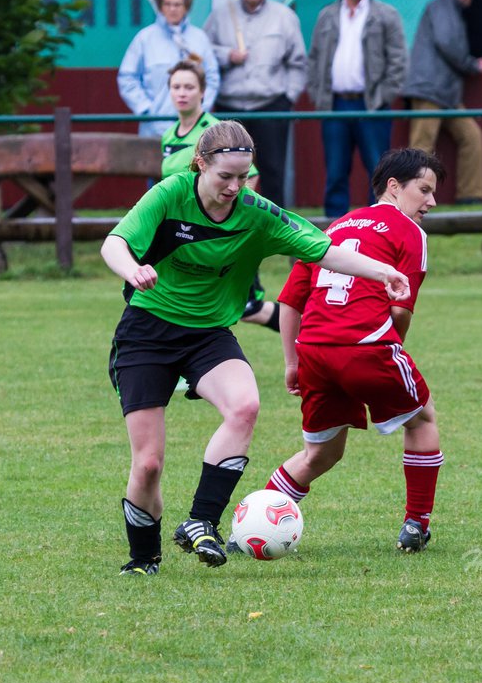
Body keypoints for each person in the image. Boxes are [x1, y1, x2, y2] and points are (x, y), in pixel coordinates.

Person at [102, 120, 411, 575]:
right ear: (200, 165)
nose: (235, 187)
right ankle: (143, 558)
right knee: (148, 464)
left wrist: (380, 271)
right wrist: (131, 269)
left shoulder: (256, 211)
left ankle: (200, 521)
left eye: (243, 176)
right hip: (147, 333)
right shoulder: (171, 194)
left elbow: (323, 249)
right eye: (225, 176)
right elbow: (114, 243)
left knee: (245, 406)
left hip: (208, 333)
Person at [263, 147, 446, 553]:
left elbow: (291, 301)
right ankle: (416, 523)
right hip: (366, 345)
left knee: (320, 453)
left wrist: (292, 363)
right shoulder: (408, 231)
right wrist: (384, 351)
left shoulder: (333, 228)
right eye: (425, 190)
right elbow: (399, 310)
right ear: (394, 187)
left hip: (312, 349)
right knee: (422, 418)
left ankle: (257, 518)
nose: (431, 202)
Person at [159, 60, 279, 331]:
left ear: (203, 91)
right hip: (182, 231)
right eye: (176, 86)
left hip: (215, 233)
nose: (182, 93)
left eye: (189, 87)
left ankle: (314, 332)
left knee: (250, 308)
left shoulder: (215, 133)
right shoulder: (169, 134)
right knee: (184, 300)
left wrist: (232, 217)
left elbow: (252, 174)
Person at [307, 0, 408, 219]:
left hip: (371, 104)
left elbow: (398, 59)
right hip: (335, 104)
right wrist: (318, 96)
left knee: (378, 169)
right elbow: (315, 57)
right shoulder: (328, 14)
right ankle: (333, 229)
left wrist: (384, 96)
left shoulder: (386, 14)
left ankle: (376, 223)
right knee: (336, 170)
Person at [203, 0, 308, 209]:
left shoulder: (284, 17)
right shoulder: (220, 15)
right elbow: (204, 53)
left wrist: (288, 97)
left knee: (273, 168)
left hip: (270, 104)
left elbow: (298, 62)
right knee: (228, 168)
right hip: (230, 106)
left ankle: (275, 224)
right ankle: (230, 218)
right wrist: (228, 55)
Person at [403, 0, 482, 204]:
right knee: (421, 147)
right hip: (430, 89)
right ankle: (410, 200)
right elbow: (447, 42)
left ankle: (470, 196)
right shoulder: (442, 7)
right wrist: (472, 64)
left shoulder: (445, 8)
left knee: (471, 136)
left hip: (446, 92)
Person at [117, 0, 220, 139]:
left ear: (186, 7)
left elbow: (212, 77)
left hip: (195, 127)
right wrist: (147, 109)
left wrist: (201, 108)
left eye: (178, 4)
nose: (172, 9)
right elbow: (127, 78)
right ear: (160, 7)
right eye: (168, 4)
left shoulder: (199, 38)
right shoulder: (145, 38)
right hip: (154, 128)